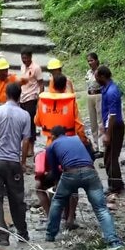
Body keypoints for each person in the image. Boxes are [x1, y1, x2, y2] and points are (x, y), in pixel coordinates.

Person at [45, 126, 124, 250]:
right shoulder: (77, 139)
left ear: (53, 136)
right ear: (65, 134)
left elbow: (54, 170)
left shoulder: (52, 145)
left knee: (58, 201)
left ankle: (50, 235)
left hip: (70, 173)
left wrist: (56, 181)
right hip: (90, 173)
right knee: (101, 209)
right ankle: (114, 242)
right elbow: (91, 156)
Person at [33, 74, 87, 229]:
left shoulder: (43, 101)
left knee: (50, 183)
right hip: (69, 149)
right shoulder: (71, 102)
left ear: (51, 85)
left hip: (51, 148)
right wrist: (84, 142)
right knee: (71, 184)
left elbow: (37, 121)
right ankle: (70, 218)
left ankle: (52, 217)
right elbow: (79, 126)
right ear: (65, 86)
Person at [0, 83, 31, 246]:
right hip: (14, 163)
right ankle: (22, 232)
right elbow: (26, 141)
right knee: (17, 199)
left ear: (6, 94)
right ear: (20, 96)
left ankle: (3, 236)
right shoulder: (25, 115)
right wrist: (23, 162)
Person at [95, 65, 125, 195]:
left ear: (102, 76)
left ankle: (115, 186)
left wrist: (107, 134)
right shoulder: (105, 89)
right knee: (108, 157)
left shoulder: (112, 91)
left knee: (112, 157)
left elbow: (112, 115)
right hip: (110, 126)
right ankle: (116, 182)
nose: (95, 79)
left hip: (115, 127)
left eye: (96, 76)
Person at [18, 48, 43, 157]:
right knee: (23, 123)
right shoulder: (22, 67)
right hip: (23, 98)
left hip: (32, 98)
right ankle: (26, 147)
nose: (25, 60)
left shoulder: (36, 68)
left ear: (30, 57)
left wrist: (40, 99)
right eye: (23, 58)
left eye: (26, 58)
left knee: (31, 125)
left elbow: (41, 84)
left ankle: (31, 149)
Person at [85, 53, 104, 158]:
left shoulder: (100, 71)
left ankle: (102, 147)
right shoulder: (88, 73)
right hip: (90, 95)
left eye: (91, 60)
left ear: (96, 60)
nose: (90, 63)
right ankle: (96, 146)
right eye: (88, 61)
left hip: (99, 95)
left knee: (100, 121)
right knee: (93, 123)